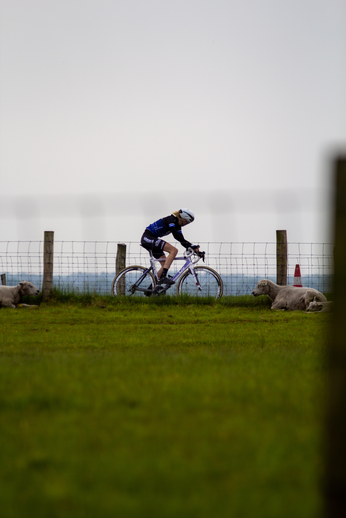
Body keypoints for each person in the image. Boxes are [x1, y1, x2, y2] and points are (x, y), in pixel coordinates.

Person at [141, 208, 199, 285]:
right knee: (174, 251)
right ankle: (163, 277)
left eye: (187, 223)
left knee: (165, 264)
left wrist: (192, 247)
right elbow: (176, 236)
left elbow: (181, 240)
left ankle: (152, 289)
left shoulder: (177, 225)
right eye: (186, 221)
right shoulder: (171, 220)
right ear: (182, 218)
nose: (185, 224)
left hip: (153, 239)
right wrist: (192, 246)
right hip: (147, 238)